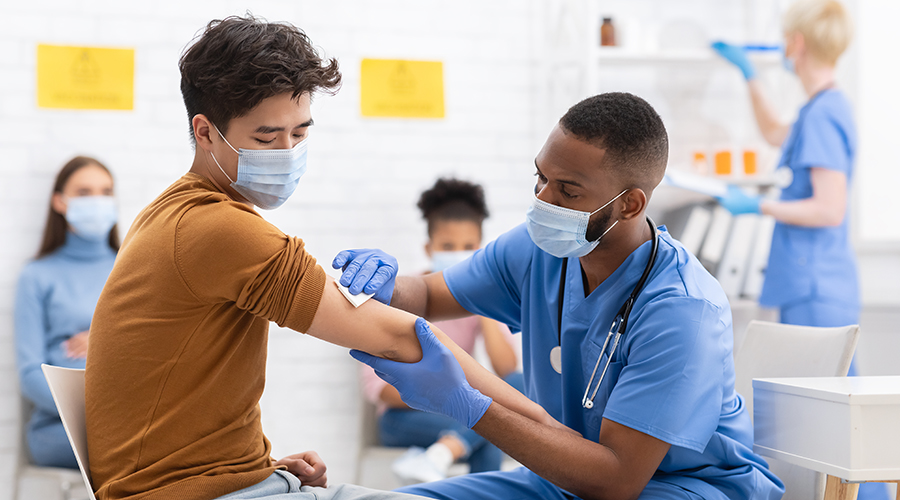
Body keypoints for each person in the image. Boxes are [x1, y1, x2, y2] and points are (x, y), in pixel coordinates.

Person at [83, 15, 557, 500]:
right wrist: (548, 430)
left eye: (300, 134)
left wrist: (259, 466)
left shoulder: (172, 213)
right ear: (204, 132)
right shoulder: (217, 229)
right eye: (267, 138)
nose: (287, 153)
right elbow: (399, 336)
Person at [338, 92, 785, 499]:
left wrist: (470, 406)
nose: (542, 201)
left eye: (568, 190)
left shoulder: (683, 311)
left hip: (676, 488)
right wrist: (387, 283)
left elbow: (616, 480)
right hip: (566, 482)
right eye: (541, 178)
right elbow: (428, 296)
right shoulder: (537, 251)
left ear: (630, 204)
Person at [714, 3, 888, 499]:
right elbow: (774, 133)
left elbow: (829, 208)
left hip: (816, 284)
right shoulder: (821, 108)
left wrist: (760, 206)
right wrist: (749, 76)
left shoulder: (825, 113)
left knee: (839, 425)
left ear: (796, 44)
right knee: (837, 418)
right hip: (811, 281)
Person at [361, 178, 523, 484]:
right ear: (428, 248)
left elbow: (507, 370)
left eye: (468, 248)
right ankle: (445, 451)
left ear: (480, 250)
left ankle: (440, 454)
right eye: (448, 247)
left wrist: (479, 302)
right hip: (403, 419)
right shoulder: (398, 296)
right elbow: (379, 390)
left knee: (519, 386)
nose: (458, 254)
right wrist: (449, 397)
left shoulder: (479, 300)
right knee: (489, 427)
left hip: (457, 410)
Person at [15, 156, 119, 469]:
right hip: (58, 427)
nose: (97, 201)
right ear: (60, 202)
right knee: (131, 451)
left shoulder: (133, 269)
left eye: (106, 191)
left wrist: (103, 339)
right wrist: (95, 412)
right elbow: (30, 373)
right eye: (84, 192)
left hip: (128, 419)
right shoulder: (37, 275)